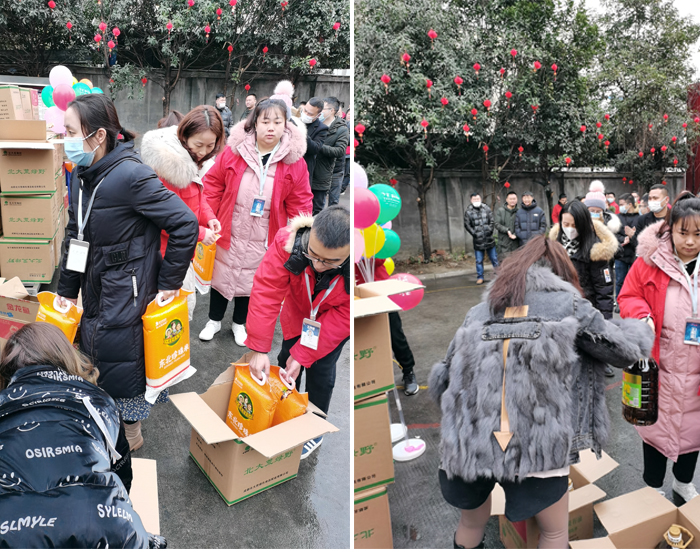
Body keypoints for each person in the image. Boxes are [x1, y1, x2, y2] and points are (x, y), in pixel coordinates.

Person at [429, 236, 652, 549]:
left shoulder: (478, 312)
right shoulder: (571, 306)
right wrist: (642, 325)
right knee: (553, 532)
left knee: (470, 523)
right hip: (537, 446)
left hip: (470, 445)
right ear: (563, 271)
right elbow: (625, 350)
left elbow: (442, 379)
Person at [56, 94, 199, 451]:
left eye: (71, 132)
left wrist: (168, 283)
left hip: (128, 289)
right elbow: (75, 232)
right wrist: (66, 288)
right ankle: (107, 425)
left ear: (98, 136)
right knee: (94, 354)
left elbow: (185, 224)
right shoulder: (82, 174)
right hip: (94, 282)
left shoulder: (132, 175)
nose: (65, 140)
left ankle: (131, 433)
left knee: (125, 362)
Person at [0, 323, 166, 549]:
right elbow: (121, 472)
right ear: (65, 354)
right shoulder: (99, 401)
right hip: (107, 526)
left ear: (9, 365)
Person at [199, 98, 313, 345]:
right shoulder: (234, 151)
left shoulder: (295, 161)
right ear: (254, 123)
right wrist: (209, 217)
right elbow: (213, 185)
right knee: (221, 275)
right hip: (230, 226)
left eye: (277, 122)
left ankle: (239, 324)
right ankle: (214, 320)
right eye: (265, 121)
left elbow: (301, 202)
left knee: (252, 280)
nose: (271, 127)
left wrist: (295, 237)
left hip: (266, 234)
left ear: (286, 125)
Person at [246, 206, 350, 459]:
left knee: (321, 372)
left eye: (329, 261)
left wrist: (305, 354)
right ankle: (286, 411)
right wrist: (258, 348)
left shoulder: (359, 268)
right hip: (297, 315)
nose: (318, 265)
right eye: (313, 255)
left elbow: (345, 315)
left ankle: (314, 426)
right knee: (286, 361)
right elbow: (267, 292)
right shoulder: (288, 243)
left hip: (331, 323)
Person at [619, 192, 700, 503]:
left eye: (698, 234)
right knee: (653, 428)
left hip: (695, 373)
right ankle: (652, 487)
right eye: (683, 232)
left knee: (693, 430)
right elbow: (628, 295)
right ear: (670, 229)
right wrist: (641, 315)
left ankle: (683, 483)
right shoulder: (649, 262)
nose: (690, 241)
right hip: (658, 367)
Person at [141, 105, 225, 319]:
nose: (204, 152)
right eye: (199, 145)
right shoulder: (169, 168)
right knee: (174, 316)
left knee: (178, 312)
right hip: (165, 255)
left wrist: (209, 217)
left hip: (182, 251)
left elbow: (197, 198)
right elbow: (165, 220)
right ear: (185, 137)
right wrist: (201, 233)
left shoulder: (190, 162)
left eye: (210, 146)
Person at [355, 258, 419, 395]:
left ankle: (408, 371)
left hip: (381, 293)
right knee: (366, 341)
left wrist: (363, 256)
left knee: (395, 335)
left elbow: (381, 258)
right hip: (358, 298)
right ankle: (376, 380)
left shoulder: (369, 245)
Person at [550, 200, 618, 320]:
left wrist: (605, 322)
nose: (570, 229)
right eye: (566, 224)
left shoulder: (596, 250)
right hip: (559, 311)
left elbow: (604, 291)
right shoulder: (554, 246)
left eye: (575, 225)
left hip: (587, 312)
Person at [311, 98, 349, 214]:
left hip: (330, 171)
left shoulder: (342, 129)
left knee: (325, 206)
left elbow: (340, 151)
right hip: (311, 169)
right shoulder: (315, 124)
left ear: (331, 110)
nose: (320, 111)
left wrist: (318, 146)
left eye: (323, 108)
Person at [464, 193, 498, 285]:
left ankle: (498, 276)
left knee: (494, 258)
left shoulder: (486, 208)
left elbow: (492, 220)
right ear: (471, 200)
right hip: (478, 240)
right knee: (479, 260)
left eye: (478, 198)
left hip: (489, 238)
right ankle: (480, 277)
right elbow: (467, 225)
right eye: (474, 199)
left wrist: (490, 230)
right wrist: (474, 233)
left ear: (480, 199)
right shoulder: (468, 212)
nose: (476, 200)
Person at [614, 193, 640, 305]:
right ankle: (619, 302)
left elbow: (642, 236)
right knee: (620, 280)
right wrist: (623, 238)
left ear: (630, 204)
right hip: (621, 255)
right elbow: (613, 234)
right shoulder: (617, 218)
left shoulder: (639, 218)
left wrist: (633, 236)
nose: (620, 207)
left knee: (635, 282)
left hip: (634, 255)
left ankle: (632, 303)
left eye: (622, 204)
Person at [301, 97, 328, 190]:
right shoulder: (294, 120)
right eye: (305, 110)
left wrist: (303, 133)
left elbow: (315, 148)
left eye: (310, 114)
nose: (306, 114)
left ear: (318, 115)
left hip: (304, 168)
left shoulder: (322, 128)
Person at [495, 191, 519, 257]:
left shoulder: (519, 211)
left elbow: (522, 226)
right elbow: (497, 224)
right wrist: (507, 230)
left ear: (517, 199)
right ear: (506, 200)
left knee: (516, 261)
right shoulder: (501, 210)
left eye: (514, 199)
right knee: (504, 261)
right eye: (510, 199)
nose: (512, 200)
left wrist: (516, 234)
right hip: (504, 242)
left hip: (516, 243)